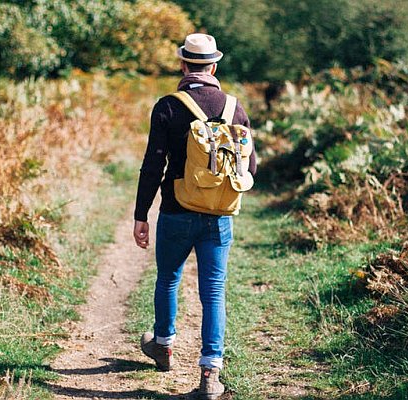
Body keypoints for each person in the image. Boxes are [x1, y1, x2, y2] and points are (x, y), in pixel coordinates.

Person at [132, 33, 257, 399]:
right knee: (213, 291)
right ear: (214, 66)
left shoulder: (168, 106)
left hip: (175, 210)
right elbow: (250, 165)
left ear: (183, 65)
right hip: (219, 215)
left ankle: (163, 345)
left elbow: (152, 164)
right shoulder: (235, 108)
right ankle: (209, 374)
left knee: (168, 278)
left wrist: (142, 214)